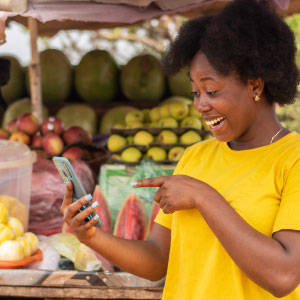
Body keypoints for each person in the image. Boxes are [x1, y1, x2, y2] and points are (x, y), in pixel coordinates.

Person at [61, 0, 300, 299]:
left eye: (211, 91)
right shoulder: (196, 157)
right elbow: (158, 259)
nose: (200, 105)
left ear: (255, 85)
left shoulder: (293, 160)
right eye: (195, 92)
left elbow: (284, 275)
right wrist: (91, 236)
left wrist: (203, 196)